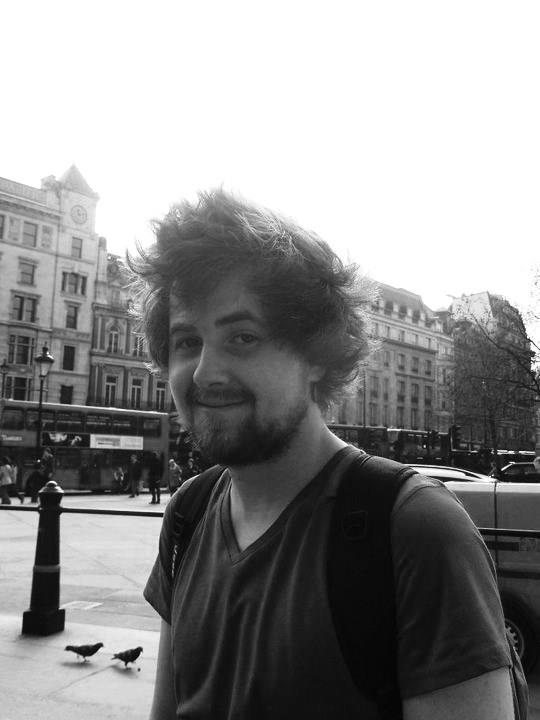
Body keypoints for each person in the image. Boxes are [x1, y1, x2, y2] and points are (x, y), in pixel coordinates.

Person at [132, 190, 516, 719]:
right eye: (187, 342)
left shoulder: (415, 528)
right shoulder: (187, 514)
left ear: (316, 355)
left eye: (242, 337)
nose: (204, 372)